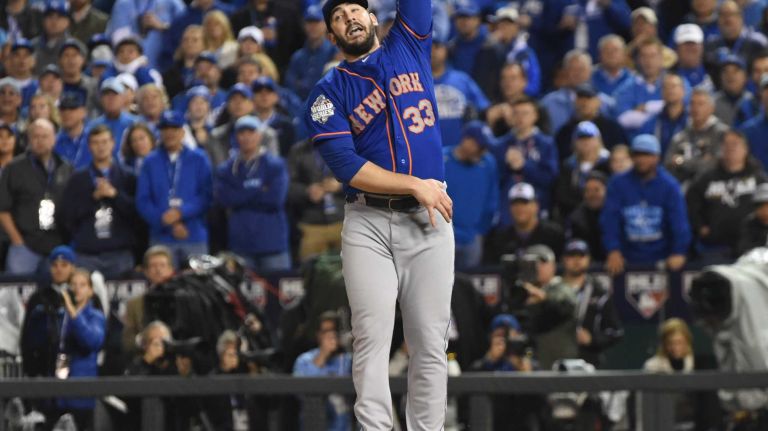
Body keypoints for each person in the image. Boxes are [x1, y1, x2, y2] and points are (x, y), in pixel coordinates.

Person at [306, 0, 455, 428]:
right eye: (337, 16)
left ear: (374, 17)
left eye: (355, 9)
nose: (349, 17)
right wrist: (414, 184)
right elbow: (348, 167)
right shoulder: (327, 92)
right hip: (368, 223)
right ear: (331, 37)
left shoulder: (407, 45)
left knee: (429, 340)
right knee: (372, 338)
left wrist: (421, 190)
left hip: (428, 220)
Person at [601, 134, 692, 274]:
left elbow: (679, 223)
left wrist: (678, 251)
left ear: (657, 157)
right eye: (637, 154)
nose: (641, 159)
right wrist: (613, 250)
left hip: (662, 259)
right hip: (626, 259)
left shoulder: (670, 186)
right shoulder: (618, 184)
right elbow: (610, 220)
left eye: (646, 154)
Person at [58, 125, 138, 277]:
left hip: (119, 254)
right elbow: (67, 217)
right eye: (95, 143)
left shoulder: (128, 177)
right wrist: (92, 199)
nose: (101, 147)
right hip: (86, 255)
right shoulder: (77, 179)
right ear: (89, 146)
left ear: (113, 143)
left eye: (105, 142)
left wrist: (114, 195)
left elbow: (136, 215)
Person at [136, 110, 213, 267]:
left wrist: (181, 212)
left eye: (174, 129)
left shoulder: (199, 158)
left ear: (183, 132)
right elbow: (142, 200)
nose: (170, 133)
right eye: (165, 129)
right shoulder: (150, 161)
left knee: (198, 287)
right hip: (161, 237)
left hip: (193, 234)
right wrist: (165, 221)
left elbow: (206, 195)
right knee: (163, 287)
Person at [215, 116, 291, 272]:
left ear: (259, 135)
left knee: (277, 294)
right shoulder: (226, 169)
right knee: (243, 295)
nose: (246, 137)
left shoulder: (276, 165)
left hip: (272, 244)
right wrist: (259, 189)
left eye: (251, 132)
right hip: (241, 244)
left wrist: (240, 192)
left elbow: (275, 199)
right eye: (242, 133)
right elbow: (224, 199)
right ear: (236, 137)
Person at [0, 119, 73, 275]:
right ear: (28, 140)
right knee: (16, 294)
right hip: (24, 245)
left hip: (56, 244)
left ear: (54, 139)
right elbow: (2, 209)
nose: (40, 141)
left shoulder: (65, 168)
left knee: (56, 294)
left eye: (45, 136)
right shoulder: (14, 168)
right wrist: (17, 240)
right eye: (35, 136)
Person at [687, 130, 766, 260]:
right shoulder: (706, 179)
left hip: (751, 246)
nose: (731, 148)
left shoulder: (759, 178)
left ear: (745, 149)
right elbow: (692, 204)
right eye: (726, 144)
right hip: (715, 247)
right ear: (720, 149)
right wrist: (700, 227)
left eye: (735, 144)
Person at [643, 318, 722, 430]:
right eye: (671, 343)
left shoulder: (698, 366)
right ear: (664, 344)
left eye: (679, 342)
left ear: (687, 342)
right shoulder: (653, 367)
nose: (675, 348)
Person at [492, 97, 559, 220]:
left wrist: (524, 166)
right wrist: (506, 165)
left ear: (535, 116)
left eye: (525, 113)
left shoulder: (546, 144)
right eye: (516, 113)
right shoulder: (500, 145)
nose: (520, 118)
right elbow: (494, 181)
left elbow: (550, 179)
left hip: (537, 210)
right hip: (507, 210)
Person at [559, 239, 623, 367]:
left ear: (588, 259)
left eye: (581, 256)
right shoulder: (552, 289)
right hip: (556, 357)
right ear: (564, 259)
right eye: (572, 256)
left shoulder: (599, 293)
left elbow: (616, 332)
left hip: (588, 361)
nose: (576, 261)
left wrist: (592, 339)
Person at [444, 121, 498, 269]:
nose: (482, 152)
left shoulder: (488, 163)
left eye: (484, 148)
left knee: (469, 285)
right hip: (443, 235)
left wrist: (480, 231)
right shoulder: (442, 159)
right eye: (479, 147)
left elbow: (492, 200)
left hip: (473, 238)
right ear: (466, 140)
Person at [57, 268, 105, 431]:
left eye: (82, 285)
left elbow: (92, 341)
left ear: (91, 291)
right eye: (73, 284)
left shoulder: (95, 316)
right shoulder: (59, 314)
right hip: (57, 387)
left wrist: (74, 314)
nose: (77, 288)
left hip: (81, 389)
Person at [20, 245, 76, 379]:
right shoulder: (39, 297)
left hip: (74, 364)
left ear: (72, 267)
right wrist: (30, 368)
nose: (59, 269)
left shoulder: (79, 295)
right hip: (43, 365)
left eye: (64, 265)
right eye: (55, 265)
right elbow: (26, 336)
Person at [287, 139, 346, 261]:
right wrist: (307, 191)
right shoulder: (298, 151)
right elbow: (288, 186)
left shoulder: (345, 146)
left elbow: (362, 178)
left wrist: (341, 186)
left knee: (350, 274)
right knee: (311, 274)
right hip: (312, 224)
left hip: (343, 222)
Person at [293, 312, 353, 431]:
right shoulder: (304, 360)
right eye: (325, 331)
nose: (331, 335)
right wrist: (323, 355)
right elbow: (299, 393)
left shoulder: (346, 360)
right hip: (314, 425)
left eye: (333, 331)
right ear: (318, 334)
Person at [431, 34, 490, 149]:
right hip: (426, 153)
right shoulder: (414, 81)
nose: (432, 51)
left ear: (445, 49)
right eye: (427, 47)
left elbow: (484, 109)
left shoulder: (462, 80)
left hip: (459, 154)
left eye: (436, 46)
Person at [484, 183, 566, 264]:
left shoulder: (553, 235)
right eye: (515, 204)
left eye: (524, 203)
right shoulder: (500, 238)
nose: (520, 208)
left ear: (536, 206)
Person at [471, 6, 541, 98]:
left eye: (509, 24)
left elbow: (534, 85)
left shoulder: (524, 52)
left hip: (519, 99)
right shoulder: (487, 49)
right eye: (501, 24)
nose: (504, 27)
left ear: (516, 27)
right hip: (492, 98)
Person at [665, 89, 729, 184]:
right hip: (684, 186)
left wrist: (682, 161)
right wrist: (700, 161)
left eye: (701, 104)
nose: (695, 108)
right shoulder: (681, 135)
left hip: (714, 186)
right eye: (692, 104)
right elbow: (668, 162)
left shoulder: (722, 133)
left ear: (711, 108)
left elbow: (714, 164)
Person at [122, 246, 175, 357]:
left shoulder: (183, 301)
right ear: (146, 272)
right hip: (146, 361)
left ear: (171, 270)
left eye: (162, 265)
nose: (158, 270)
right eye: (153, 266)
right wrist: (145, 339)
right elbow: (127, 342)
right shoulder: (134, 304)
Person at [553, 121, 611, 221]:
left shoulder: (609, 162)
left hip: (605, 213)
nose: (585, 142)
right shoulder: (568, 165)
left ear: (598, 140)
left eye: (589, 138)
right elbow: (562, 194)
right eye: (581, 139)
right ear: (574, 142)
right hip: (575, 215)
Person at [554, 84, 626, 163]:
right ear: (574, 102)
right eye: (580, 98)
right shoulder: (566, 131)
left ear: (599, 102)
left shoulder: (612, 128)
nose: (584, 103)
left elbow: (621, 153)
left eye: (589, 98)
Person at [284, 5, 339, 101]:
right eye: (309, 22)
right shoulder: (298, 57)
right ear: (304, 25)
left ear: (325, 25)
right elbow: (290, 88)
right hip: (301, 108)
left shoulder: (334, 52)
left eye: (317, 22)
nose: (313, 27)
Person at [703, 1, 767, 79]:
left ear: (741, 17)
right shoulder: (711, 44)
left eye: (731, 14)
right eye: (723, 15)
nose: (727, 19)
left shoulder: (757, 43)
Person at [89, 78, 139, 157]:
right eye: (106, 95)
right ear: (101, 99)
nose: (110, 99)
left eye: (115, 94)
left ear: (123, 98)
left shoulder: (135, 124)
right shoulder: (92, 126)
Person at [567, 171, 609, 262]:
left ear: (607, 191)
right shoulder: (577, 219)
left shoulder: (616, 214)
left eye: (596, 190)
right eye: (587, 191)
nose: (592, 195)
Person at [713, 55, 758, 128]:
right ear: (720, 77)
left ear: (745, 76)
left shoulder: (754, 102)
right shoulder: (712, 103)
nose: (730, 75)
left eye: (735, 71)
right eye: (725, 71)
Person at [447, 3, 488, 76]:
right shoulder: (452, 47)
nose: (463, 22)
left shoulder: (489, 45)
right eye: (460, 17)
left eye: (467, 17)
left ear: (477, 20)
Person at [54, 91, 91, 169]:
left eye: (72, 108)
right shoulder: (53, 142)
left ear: (83, 112)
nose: (66, 113)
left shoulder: (94, 139)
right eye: (63, 109)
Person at [671, 23, 713, 91]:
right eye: (685, 44)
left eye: (693, 43)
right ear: (676, 48)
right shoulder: (667, 76)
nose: (690, 47)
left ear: (702, 47)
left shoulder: (715, 71)